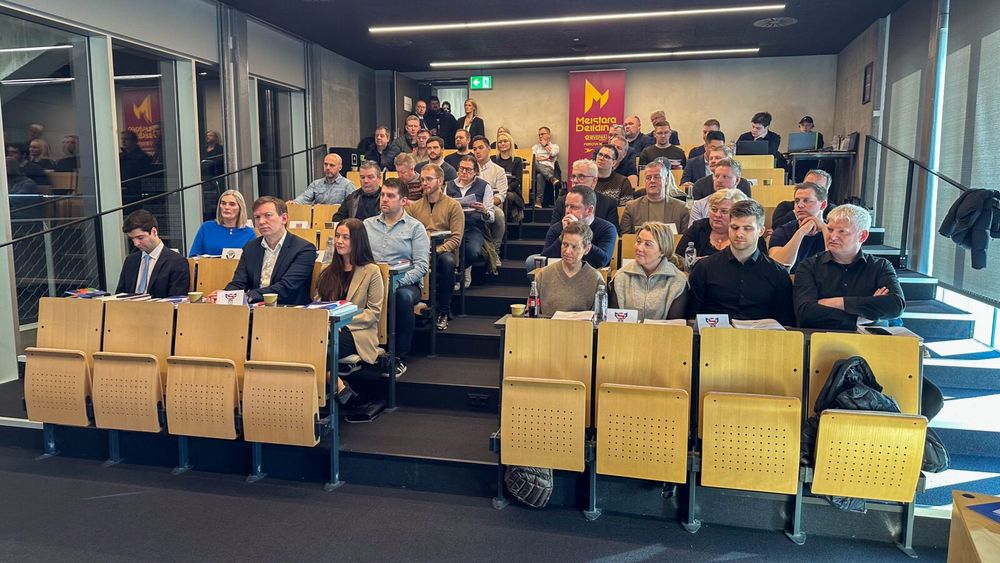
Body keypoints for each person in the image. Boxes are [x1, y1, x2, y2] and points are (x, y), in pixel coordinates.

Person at [794, 204, 904, 330]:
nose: (832, 236)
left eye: (842, 231)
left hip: (869, 337)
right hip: (822, 336)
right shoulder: (809, 266)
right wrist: (863, 315)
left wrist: (835, 302)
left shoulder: (880, 266)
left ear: (862, 236)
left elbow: (895, 306)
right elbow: (805, 313)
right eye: (830, 229)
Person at [687, 199, 794, 325]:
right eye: (734, 227)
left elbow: (785, 323)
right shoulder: (704, 268)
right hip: (714, 334)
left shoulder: (778, 273)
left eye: (747, 228)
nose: (739, 234)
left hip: (761, 335)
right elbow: (691, 318)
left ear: (761, 231)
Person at [364, 178, 430, 375]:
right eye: (383, 195)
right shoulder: (367, 225)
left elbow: (421, 266)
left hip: (405, 283)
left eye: (391, 196)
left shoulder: (415, 228)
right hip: (372, 280)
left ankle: (399, 356)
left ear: (403, 201)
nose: (384, 199)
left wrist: (395, 282)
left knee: (401, 297)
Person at [315, 218, 384, 404]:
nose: (339, 241)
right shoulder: (327, 270)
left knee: (322, 352)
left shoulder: (372, 271)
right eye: (337, 236)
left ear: (357, 241)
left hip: (356, 331)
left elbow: (373, 313)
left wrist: (340, 321)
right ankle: (339, 385)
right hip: (326, 327)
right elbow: (318, 303)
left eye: (345, 237)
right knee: (306, 347)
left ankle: (329, 392)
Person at [210, 196, 317, 305]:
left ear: (284, 219)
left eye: (268, 215)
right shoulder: (250, 247)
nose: (261, 222)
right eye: (257, 217)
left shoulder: (304, 249)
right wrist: (224, 294)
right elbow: (239, 283)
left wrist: (248, 296)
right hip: (255, 308)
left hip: (289, 309)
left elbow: (286, 287)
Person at [409, 164, 465, 331]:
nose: (424, 183)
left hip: (442, 250)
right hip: (419, 250)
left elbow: (456, 238)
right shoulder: (414, 207)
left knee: (448, 262)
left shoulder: (453, 206)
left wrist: (436, 251)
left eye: (429, 179)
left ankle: (443, 311)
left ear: (440, 181)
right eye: (422, 179)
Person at [609, 221, 688, 321]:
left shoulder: (678, 280)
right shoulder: (621, 276)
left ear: (662, 251)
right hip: (624, 331)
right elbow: (614, 321)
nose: (639, 248)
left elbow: (674, 325)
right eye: (638, 241)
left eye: (647, 244)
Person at [532, 183, 617, 270]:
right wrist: (564, 235)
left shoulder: (607, 228)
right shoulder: (557, 228)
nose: (567, 211)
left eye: (574, 207)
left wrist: (578, 232)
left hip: (592, 274)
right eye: (566, 206)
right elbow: (546, 259)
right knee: (532, 261)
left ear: (589, 210)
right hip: (561, 272)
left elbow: (602, 261)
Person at [534, 222, 604, 317]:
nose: (567, 251)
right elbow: (531, 313)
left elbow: (599, 318)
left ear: (587, 249)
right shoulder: (544, 274)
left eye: (574, 247)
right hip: (548, 326)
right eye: (565, 244)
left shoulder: (595, 278)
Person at [115, 209, 190, 298]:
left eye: (140, 238)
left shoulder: (177, 262)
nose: (136, 244)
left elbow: (176, 300)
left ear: (154, 232)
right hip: (128, 306)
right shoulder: (130, 260)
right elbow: (120, 295)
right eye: (132, 239)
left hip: (160, 306)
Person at [446, 156, 492, 283]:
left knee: (473, 251)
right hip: (452, 226)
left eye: (468, 169)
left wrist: (484, 210)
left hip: (473, 226)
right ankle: (455, 274)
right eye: (461, 169)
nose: (464, 172)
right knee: (444, 249)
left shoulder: (484, 186)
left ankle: (460, 271)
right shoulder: (449, 185)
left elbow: (491, 216)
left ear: (475, 171)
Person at [768, 182, 829, 273]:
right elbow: (777, 267)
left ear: (823, 205)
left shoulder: (835, 231)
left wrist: (824, 229)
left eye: (806, 200)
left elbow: (836, 266)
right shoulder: (782, 231)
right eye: (797, 201)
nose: (800, 205)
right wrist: (801, 232)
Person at [675, 188, 752, 258]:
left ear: (738, 215)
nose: (717, 215)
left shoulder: (745, 233)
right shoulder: (698, 227)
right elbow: (679, 257)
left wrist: (707, 263)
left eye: (724, 211)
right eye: (714, 210)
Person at [551, 159, 621, 232]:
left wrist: (577, 230)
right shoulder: (561, 202)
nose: (575, 180)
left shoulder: (608, 203)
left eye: (581, 177)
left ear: (594, 181)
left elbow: (613, 234)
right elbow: (554, 233)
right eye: (573, 176)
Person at [620, 161, 690, 234]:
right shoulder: (632, 207)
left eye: (657, 177)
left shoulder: (681, 208)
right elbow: (625, 238)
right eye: (648, 178)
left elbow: (684, 238)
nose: (652, 181)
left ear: (666, 180)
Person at [189, 189, 256, 256]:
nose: (226, 207)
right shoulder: (206, 227)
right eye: (223, 203)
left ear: (240, 208)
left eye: (232, 204)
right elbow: (193, 256)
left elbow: (252, 259)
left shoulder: (249, 233)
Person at [471, 136, 507, 250]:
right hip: (470, 204)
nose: (477, 151)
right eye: (475, 149)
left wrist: (485, 205)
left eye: (480, 148)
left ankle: (495, 248)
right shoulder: (469, 169)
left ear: (489, 149)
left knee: (499, 215)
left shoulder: (498, 170)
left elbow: (501, 196)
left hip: (490, 205)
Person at [689, 158, 747, 224]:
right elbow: (694, 229)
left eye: (725, 177)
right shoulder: (699, 206)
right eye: (716, 176)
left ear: (737, 180)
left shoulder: (748, 206)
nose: (719, 180)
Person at [530, 126, 561, 208]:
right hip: (536, 168)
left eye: (543, 134)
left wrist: (545, 145)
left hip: (548, 168)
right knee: (534, 162)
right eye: (539, 135)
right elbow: (532, 158)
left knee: (540, 176)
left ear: (549, 135)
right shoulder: (535, 147)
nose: (540, 136)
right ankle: (552, 178)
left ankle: (538, 201)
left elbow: (553, 154)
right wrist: (546, 158)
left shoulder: (555, 146)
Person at [492, 131, 524, 206]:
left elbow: (517, 180)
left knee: (506, 196)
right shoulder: (493, 159)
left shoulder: (517, 160)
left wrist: (505, 188)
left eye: (505, 141)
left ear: (510, 143)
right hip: (495, 189)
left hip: (511, 190)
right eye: (500, 142)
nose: (502, 144)